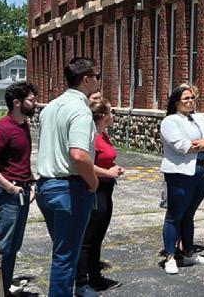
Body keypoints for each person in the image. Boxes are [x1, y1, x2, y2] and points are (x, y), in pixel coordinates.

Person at [36, 57, 102, 297]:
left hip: (46, 186)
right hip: (69, 189)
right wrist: (93, 182)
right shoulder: (80, 110)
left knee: (62, 252)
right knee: (65, 257)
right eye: (96, 76)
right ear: (85, 79)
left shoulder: (50, 107)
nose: (98, 81)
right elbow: (79, 154)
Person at [0, 81, 38, 297]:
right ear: (17, 103)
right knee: (2, 246)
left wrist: (31, 182)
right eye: (31, 100)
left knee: (14, 246)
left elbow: (21, 161)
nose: (35, 103)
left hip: (21, 192)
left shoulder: (23, 126)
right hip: (7, 194)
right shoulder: (2, 128)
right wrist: (8, 186)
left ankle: (3, 290)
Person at [160, 83, 204, 275]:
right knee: (175, 215)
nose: (191, 101)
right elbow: (183, 147)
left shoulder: (198, 118)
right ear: (176, 102)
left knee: (189, 213)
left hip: (201, 171)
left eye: (192, 98)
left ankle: (189, 252)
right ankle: (170, 256)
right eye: (186, 98)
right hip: (180, 173)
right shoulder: (170, 121)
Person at [75, 98, 125, 291]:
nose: (113, 115)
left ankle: (95, 276)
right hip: (95, 188)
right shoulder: (91, 136)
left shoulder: (103, 134)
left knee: (97, 236)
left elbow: (104, 159)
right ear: (104, 116)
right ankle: (83, 280)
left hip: (106, 188)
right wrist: (108, 173)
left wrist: (113, 168)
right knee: (89, 237)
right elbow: (85, 164)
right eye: (111, 112)